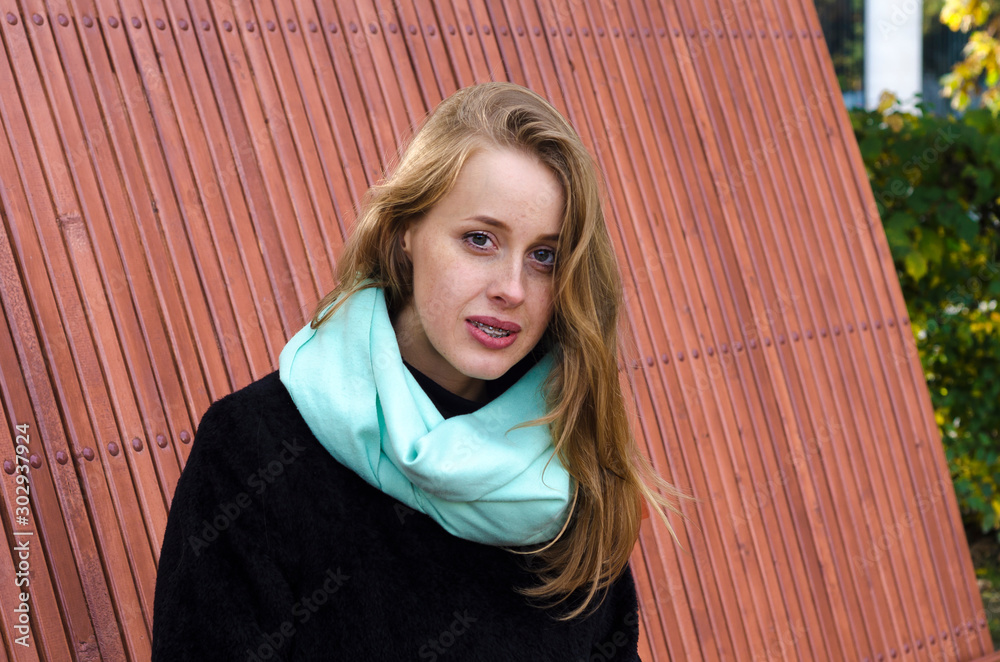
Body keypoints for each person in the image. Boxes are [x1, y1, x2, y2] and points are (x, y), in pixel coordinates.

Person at [151, 81, 689, 661]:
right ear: (405, 231)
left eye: (544, 256)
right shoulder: (253, 450)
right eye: (480, 239)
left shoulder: (566, 466)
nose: (511, 289)